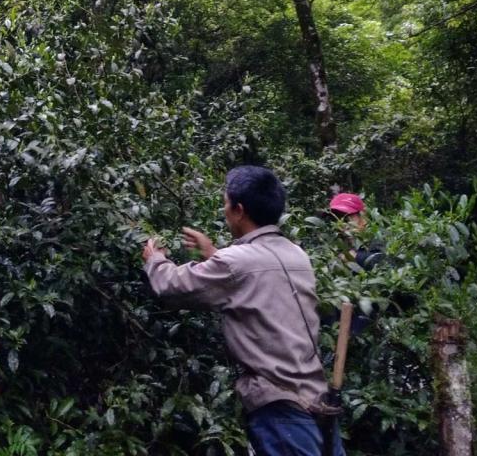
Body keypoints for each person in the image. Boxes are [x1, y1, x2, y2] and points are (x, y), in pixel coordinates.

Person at [142, 165, 344, 456]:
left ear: (238, 210)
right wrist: (213, 254)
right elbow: (254, 280)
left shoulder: (234, 263)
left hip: (280, 407)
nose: (224, 210)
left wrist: (155, 260)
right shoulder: (296, 254)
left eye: (225, 203)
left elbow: (173, 287)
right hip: (317, 401)